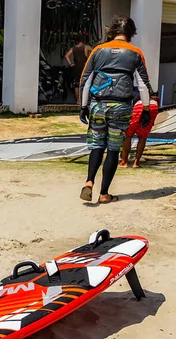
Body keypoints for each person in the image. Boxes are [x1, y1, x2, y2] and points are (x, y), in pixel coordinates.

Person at [78, 16, 152, 204]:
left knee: (96, 145)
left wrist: (83, 106)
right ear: (131, 33)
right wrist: (145, 109)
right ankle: (104, 194)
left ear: (111, 30)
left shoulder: (98, 50)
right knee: (112, 149)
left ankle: (89, 182)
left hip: (98, 104)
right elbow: (143, 85)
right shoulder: (135, 53)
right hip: (121, 107)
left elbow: (85, 80)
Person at [119, 88, 160, 168]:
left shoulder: (131, 87)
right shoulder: (146, 83)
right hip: (153, 105)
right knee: (143, 136)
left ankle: (124, 162)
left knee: (128, 134)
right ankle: (136, 163)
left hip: (139, 104)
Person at [64, 35, 93, 103]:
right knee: (85, 83)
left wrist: (71, 64)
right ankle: (84, 100)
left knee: (76, 84)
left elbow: (66, 56)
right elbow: (94, 52)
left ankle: (78, 100)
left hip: (76, 68)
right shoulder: (86, 47)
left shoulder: (73, 48)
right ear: (82, 40)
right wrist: (89, 60)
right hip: (84, 68)